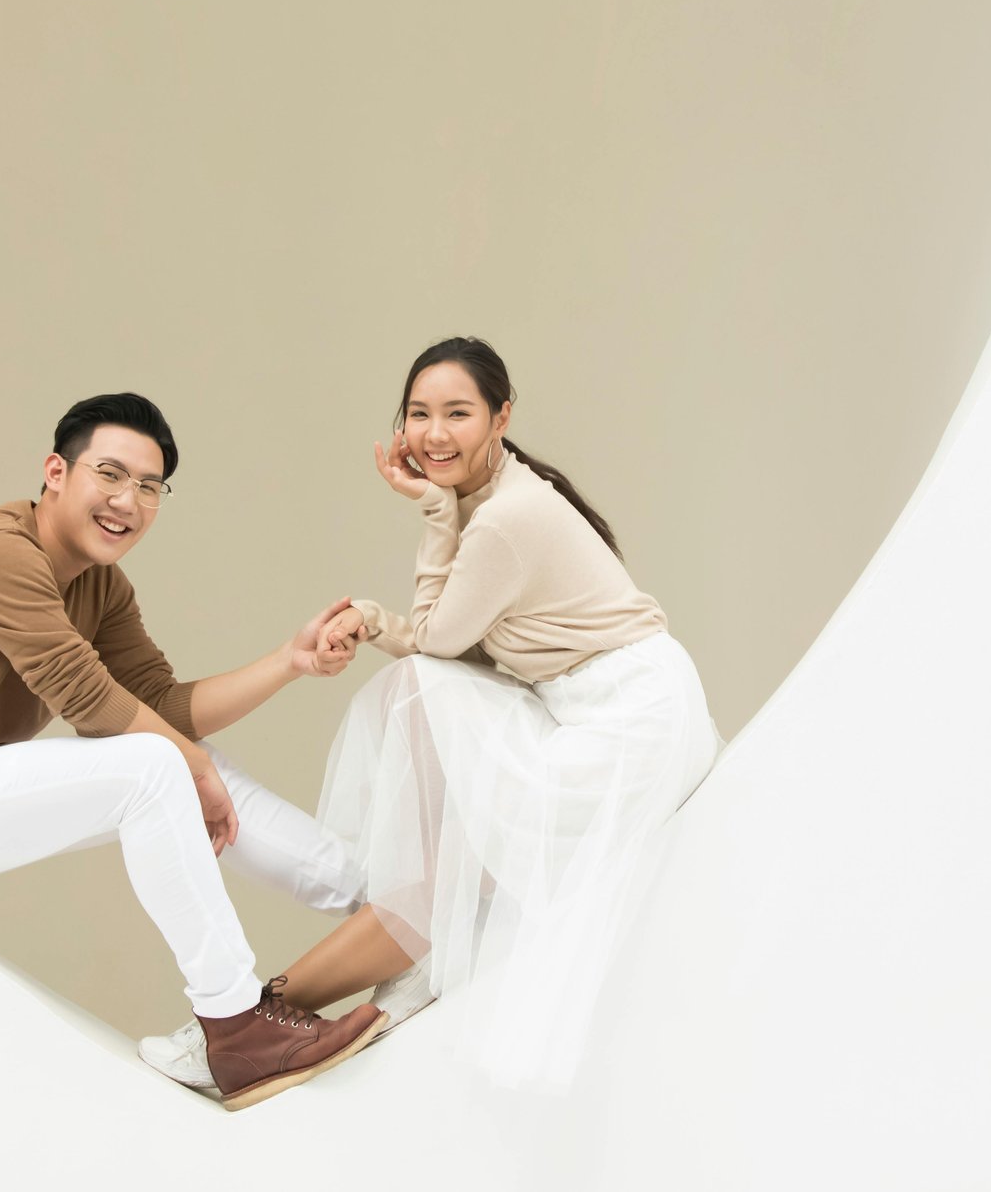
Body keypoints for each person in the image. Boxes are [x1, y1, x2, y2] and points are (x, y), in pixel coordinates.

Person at [139, 337, 722, 1092]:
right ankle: (314, 998)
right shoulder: (498, 503)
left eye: (457, 413)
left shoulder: (504, 518)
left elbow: (439, 642)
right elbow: (455, 645)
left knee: (418, 706)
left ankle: (242, 1026)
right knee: (437, 856)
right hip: (596, 704)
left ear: (501, 417)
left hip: (624, 723)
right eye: (418, 414)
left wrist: (431, 511)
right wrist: (392, 595)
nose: (433, 433)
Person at [0, 392, 384, 1110]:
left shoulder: (102, 587)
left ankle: (379, 904)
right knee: (163, 764)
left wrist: (289, 661)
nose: (130, 500)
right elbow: (80, 691)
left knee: (177, 754)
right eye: (111, 475)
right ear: (56, 471)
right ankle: (235, 1022)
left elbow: (160, 704)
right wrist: (189, 765)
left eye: (150, 486)